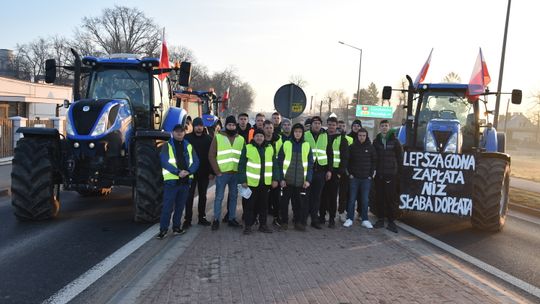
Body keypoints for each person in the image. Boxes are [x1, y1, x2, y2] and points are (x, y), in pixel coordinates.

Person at [157, 124, 200, 239]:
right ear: (173, 132)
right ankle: (163, 230)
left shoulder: (189, 146)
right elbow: (164, 161)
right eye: (177, 131)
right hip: (172, 182)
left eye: (181, 131)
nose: (179, 133)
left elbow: (196, 161)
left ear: (184, 133)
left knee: (180, 207)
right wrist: (178, 172)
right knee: (167, 207)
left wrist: (189, 171)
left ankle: (176, 228)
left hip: (185, 182)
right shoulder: (167, 146)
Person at [238, 129, 279, 234]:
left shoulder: (270, 148)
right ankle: (248, 226)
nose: (259, 138)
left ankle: (263, 225)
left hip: (265, 184)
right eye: (257, 136)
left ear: (264, 137)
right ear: (254, 137)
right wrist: (243, 180)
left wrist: (275, 179)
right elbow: (241, 165)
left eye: (261, 136)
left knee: (263, 206)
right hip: (251, 184)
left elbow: (275, 165)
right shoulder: (247, 148)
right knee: (249, 206)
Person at [209, 115, 245, 230]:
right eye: (229, 125)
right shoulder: (218, 137)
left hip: (235, 174)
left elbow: (244, 157)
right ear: (226, 126)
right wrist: (217, 171)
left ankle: (231, 218)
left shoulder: (241, 139)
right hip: (222, 173)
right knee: (219, 197)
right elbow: (211, 155)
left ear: (236, 126)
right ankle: (216, 219)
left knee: (234, 197)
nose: (231, 127)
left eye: (233, 125)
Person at [278, 123, 313, 231]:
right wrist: (281, 179)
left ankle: (298, 222)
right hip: (286, 181)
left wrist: (308, 180)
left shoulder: (307, 145)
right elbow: (279, 162)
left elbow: (310, 164)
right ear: (293, 132)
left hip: (300, 182)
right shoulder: (286, 144)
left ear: (302, 133)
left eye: (300, 132)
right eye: (296, 131)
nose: (297, 134)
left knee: (298, 204)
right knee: (284, 203)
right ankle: (284, 222)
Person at [372, 120, 403, 233]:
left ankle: (391, 221)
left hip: (391, 174)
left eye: (386, 126)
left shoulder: (395, 141)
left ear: (389, 127)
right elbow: (373, 157)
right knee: (379, 198)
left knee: (390, 199)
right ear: (379, 128)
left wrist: (398, 173)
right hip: (379, 174)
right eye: (382, 126)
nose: (384, 128)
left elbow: (400, 158)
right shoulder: (376, 141)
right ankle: (380, 219)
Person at [342, 128, 376, 229]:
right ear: (357, 136)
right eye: (360, 135)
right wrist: (350, 174)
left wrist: (370, 175)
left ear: (366, 136)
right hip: (354, 178)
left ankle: (365, 219)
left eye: (363, 136)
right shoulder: (352, 147)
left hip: (366, 179)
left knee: (365, 200)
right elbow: (347, 161)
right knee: (352, 199)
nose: (361, 137)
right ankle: (349, 219)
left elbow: (374, 161)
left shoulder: (370, 148)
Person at [183, 117, 214, 229]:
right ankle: (187, 220)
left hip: (204, 173)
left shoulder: (209, 139)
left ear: (203, 126)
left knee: (202, 196)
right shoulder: (187, 138)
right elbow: (183, 156)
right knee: (189, 196)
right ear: (193, 126)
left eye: (200, 125)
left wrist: (212, 172)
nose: (199, 127)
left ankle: (202, 217)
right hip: (190, 173)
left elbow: (212, 156)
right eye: (197, 125)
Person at [304, 116, 332, 229]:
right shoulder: (305, 135)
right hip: (308, 171)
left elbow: (330, 154)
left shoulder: (326, 136)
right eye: (315, 123)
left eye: (319, 123)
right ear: (311, 125)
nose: (317, 125)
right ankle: (303, 219)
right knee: (305, 197)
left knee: (316, 198)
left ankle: (314, 220)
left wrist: (329, 170)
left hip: (321, 171)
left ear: (321, 125)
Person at [319, 117, 348, 228]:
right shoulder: (323, 136)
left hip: (335, 172)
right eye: (329, 124)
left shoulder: (342, 139)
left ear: (337, 126)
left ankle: (331, 219)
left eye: (333, 125)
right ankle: (321, 216)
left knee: (332, 196)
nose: (331, 127)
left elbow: (345, 157)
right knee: (322, 195)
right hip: (323, 169)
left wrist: (340, 172)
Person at [337, 119, 361, 221]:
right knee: (343, 193)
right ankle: (341, 211)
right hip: (341, 170)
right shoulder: (347, 137)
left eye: (358, 126)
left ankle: (352, 211)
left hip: (355, 170)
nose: (356, 127)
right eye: (354, 126)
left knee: (354, 193)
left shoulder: (359, 138)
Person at [263, 120, 282, 227]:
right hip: (262, 174)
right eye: (267, 128)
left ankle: (276, 218)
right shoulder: (260, 139)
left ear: (273, 129)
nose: (269, 130)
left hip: (275, 174)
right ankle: (262, 219)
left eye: (271, 128)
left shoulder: (279, 140)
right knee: (263, 199)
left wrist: (277, 177)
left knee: (276, 199)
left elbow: (282, 158)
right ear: (263, 128)